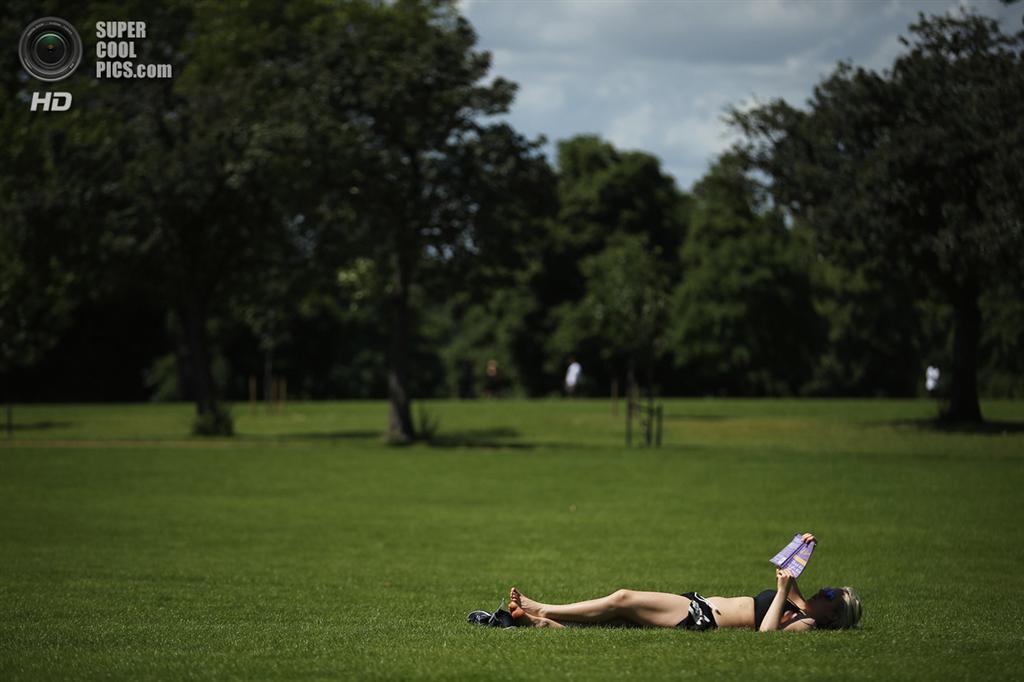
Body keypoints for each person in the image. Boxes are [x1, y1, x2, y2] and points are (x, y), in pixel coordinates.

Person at [507, 533, 862, 631]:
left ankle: (543, 607)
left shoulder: (807, 623)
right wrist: (803, 545)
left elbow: (767, 636)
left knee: (623, 598)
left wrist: (784, 590)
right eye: (830, 588)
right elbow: (788, 569)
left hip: (702, 617)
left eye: (831, 595)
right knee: (617, 619)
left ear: (834, 616)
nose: (824, 590)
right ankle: (544, 624)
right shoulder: (800, 605)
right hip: (700, 604)